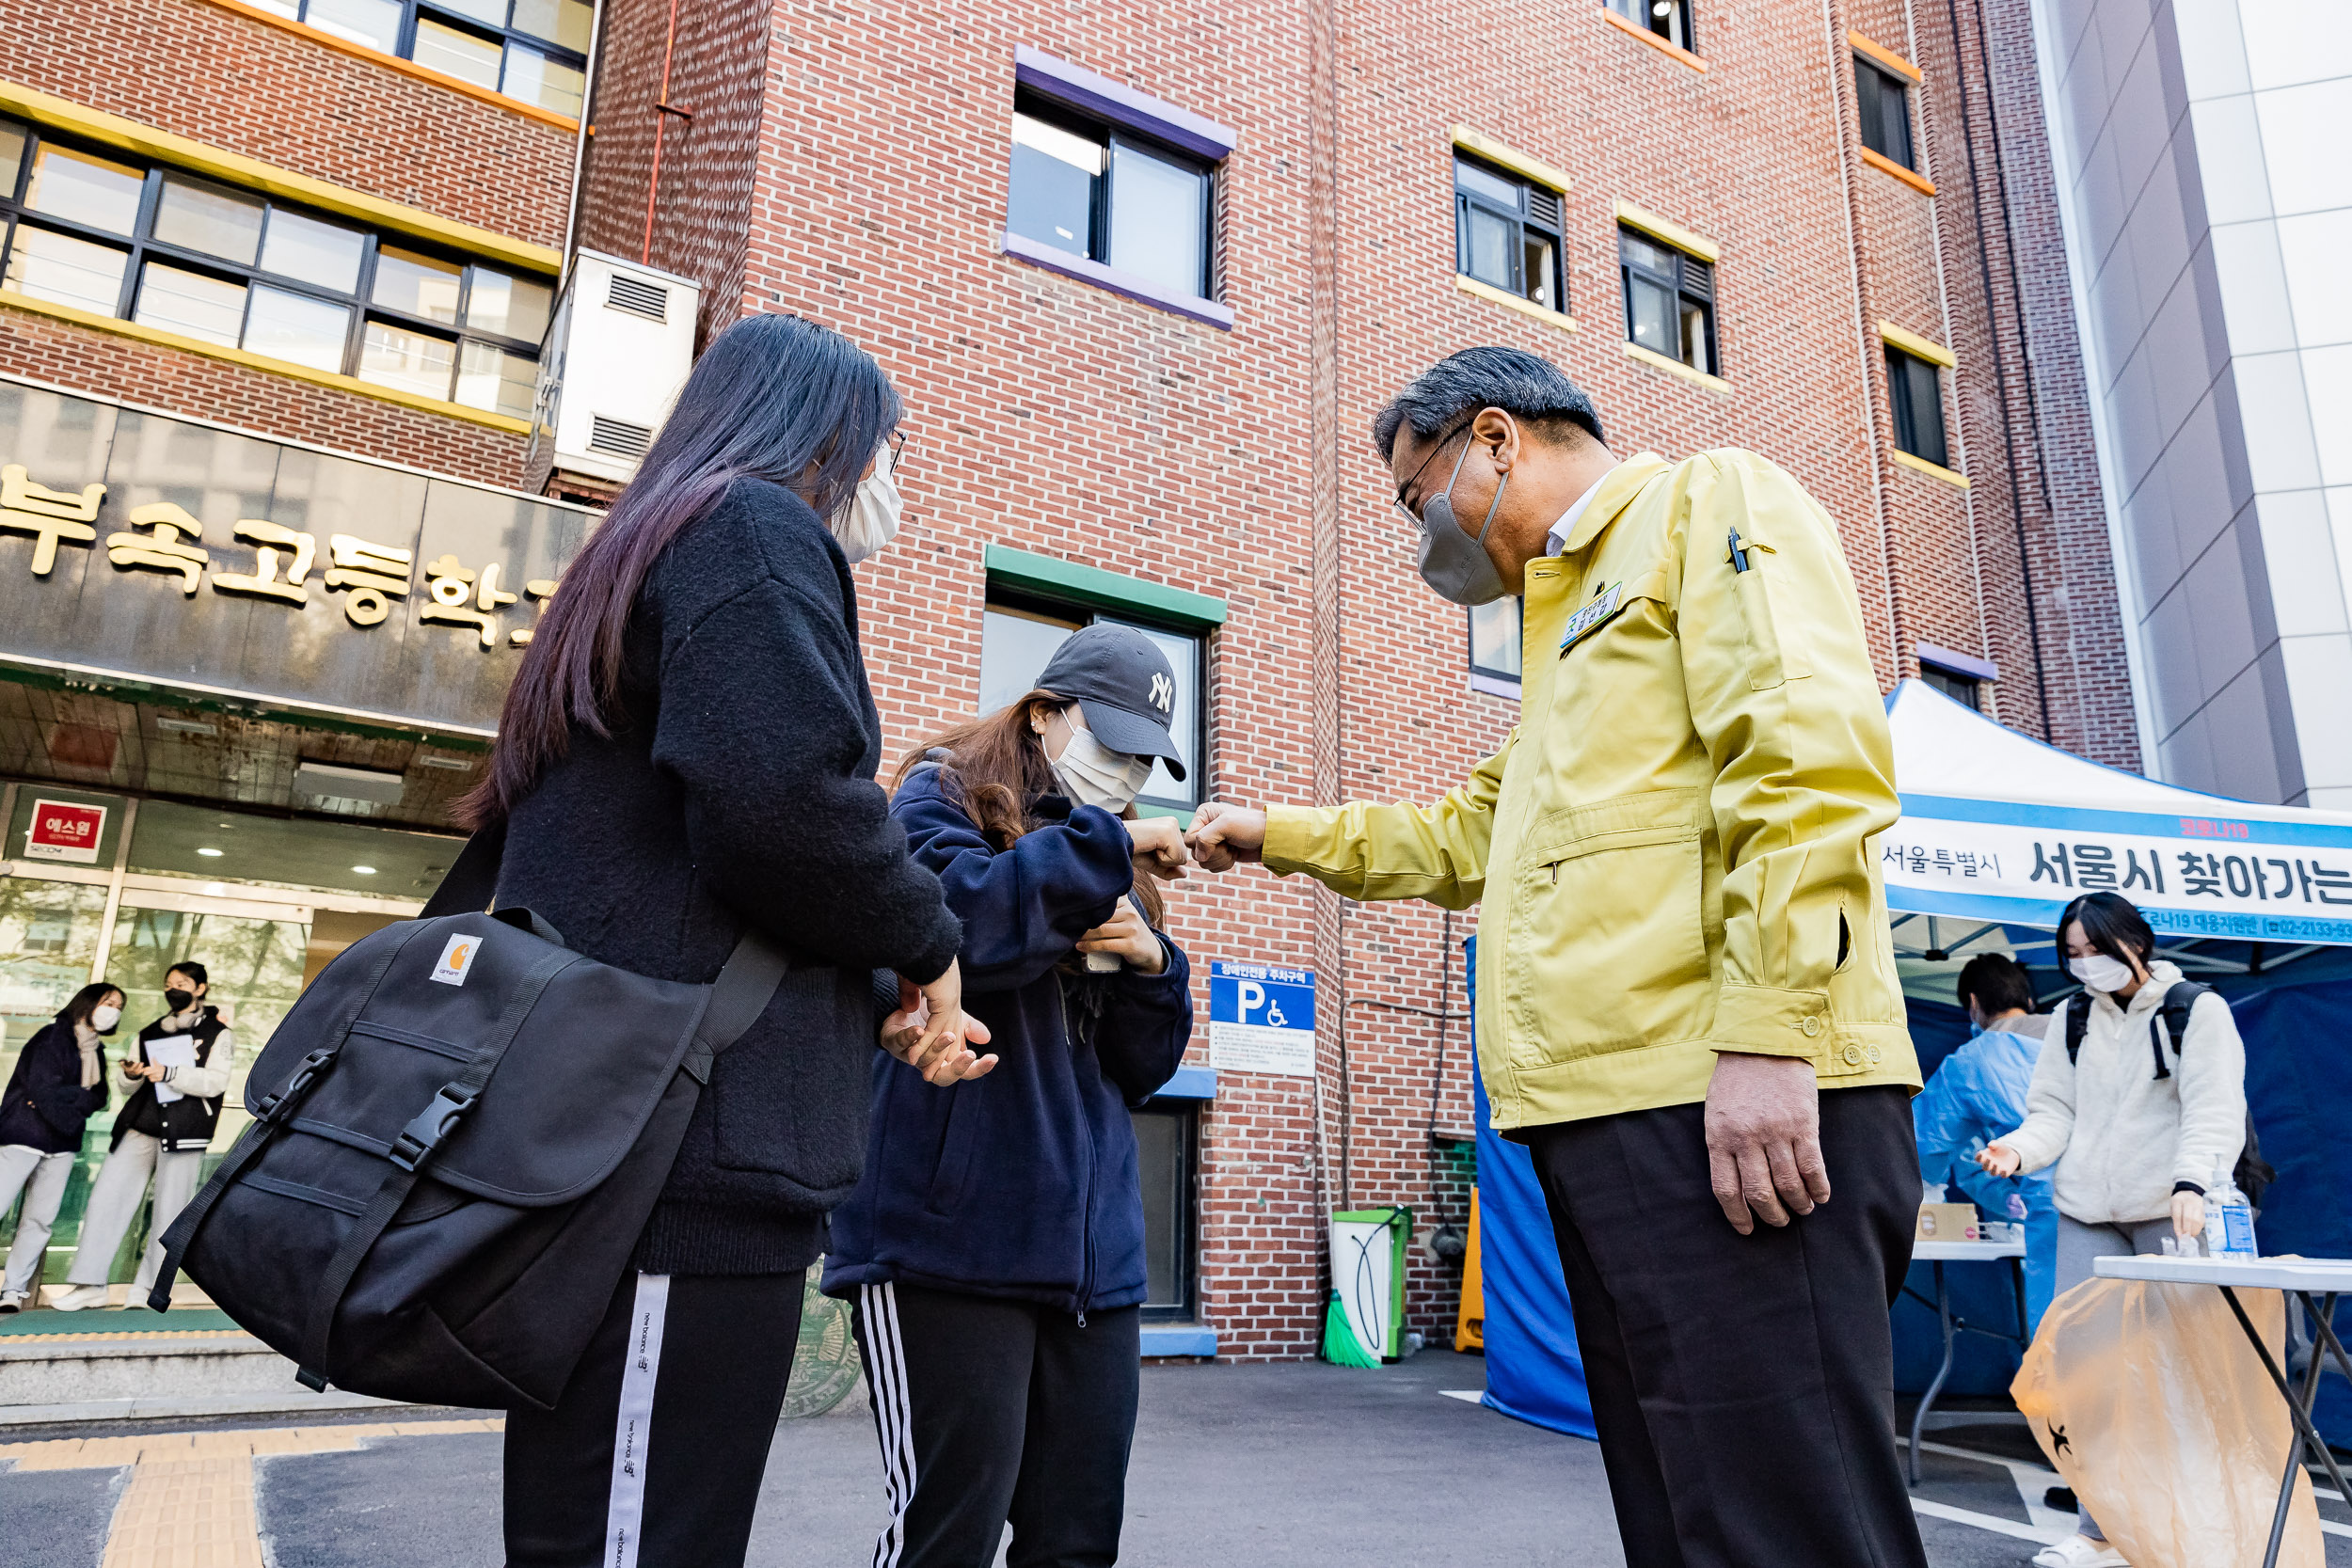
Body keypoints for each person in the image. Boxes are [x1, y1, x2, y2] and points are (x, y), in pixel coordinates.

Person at [1187, 346, 1927, 1568]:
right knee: (1691, 1514)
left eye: (1412, 492)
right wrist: (1273, 835)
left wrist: (1769, 1030)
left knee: (1790, 1522)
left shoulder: (1707, 502)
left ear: (1493, 437)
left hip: (1721, 1096)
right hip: (1614, 1116)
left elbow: (1804, 761)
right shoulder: (1564, 638)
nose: (1419, 529)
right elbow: (1462, 832)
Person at [455, 312, 996, 1568]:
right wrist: (930, 944)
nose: (892, 485)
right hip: (677, 1158)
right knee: (647, 1531)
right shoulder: (752, 527)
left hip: (626, 1131)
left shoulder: (647, 548)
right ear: (827, 440)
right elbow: (782, 804)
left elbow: (697, 863)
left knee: (609, 1519)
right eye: (887, 451)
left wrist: (873, 984)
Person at [825, 624, 1196, 1568]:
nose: (1127, 772)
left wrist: (1153, 962)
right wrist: (1099, 849)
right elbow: (964, 928)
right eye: (1111, 742)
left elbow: (1141, 1066)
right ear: (1042, 714)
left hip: (1094, 1268)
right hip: (948, 1244)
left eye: (1146, 758)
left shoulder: (1099, 858)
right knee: (945, 1532)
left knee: (1075, 1542)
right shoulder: (937, 792)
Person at [1979, 891, 2247, 1568]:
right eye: (2072, 955)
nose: (2084, 964)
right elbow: (2053, 1112)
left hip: (2169, 1207)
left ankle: (2192, 1526)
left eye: (2094, 949)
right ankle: (2101, 1530)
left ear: (2134, 939)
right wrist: (2019, 1148)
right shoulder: (2071, 1017)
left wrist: (2193, 1181)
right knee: (2089, 1375)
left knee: (2180, 1375)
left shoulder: (2196, 1009)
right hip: (2088, 1212)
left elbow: (2214, 1108)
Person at [52, 963, 230, 1312]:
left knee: (169, 1210)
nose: (173, 988)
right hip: (140, 1124)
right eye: (168, 983)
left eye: (181, 983)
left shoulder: (218, 1033)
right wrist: (133, 1075)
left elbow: (216, 1083)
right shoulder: (149, 1033)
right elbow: (124, 1086)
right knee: (107, 1200)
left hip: (185, 1132)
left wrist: (171, 1073)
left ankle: (149, 1288)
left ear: (200, 988)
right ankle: (89, 1284)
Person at [1914, 953, 2056, 1326]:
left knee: (2063, 1334)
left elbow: (1929, 1141)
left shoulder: (1971, 1061)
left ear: (1973, 1004)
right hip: (2140, 1194)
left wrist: (1929, 1190)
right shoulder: (2082, 1031)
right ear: (2028, 1000)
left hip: (2053, 1204)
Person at [0, 982, 122, 1311]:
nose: (114, 1010)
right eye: (108, 1001)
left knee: (40, 1221)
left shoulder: (95, 1051)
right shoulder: (51, 1037)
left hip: (62, 1145)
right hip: (24, 1137)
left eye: (118, 1005)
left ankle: (13, 1290)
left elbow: (100, 1098)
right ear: (88, 1002)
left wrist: (70, 1099)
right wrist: (74, 1107)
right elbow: (42, 1090)